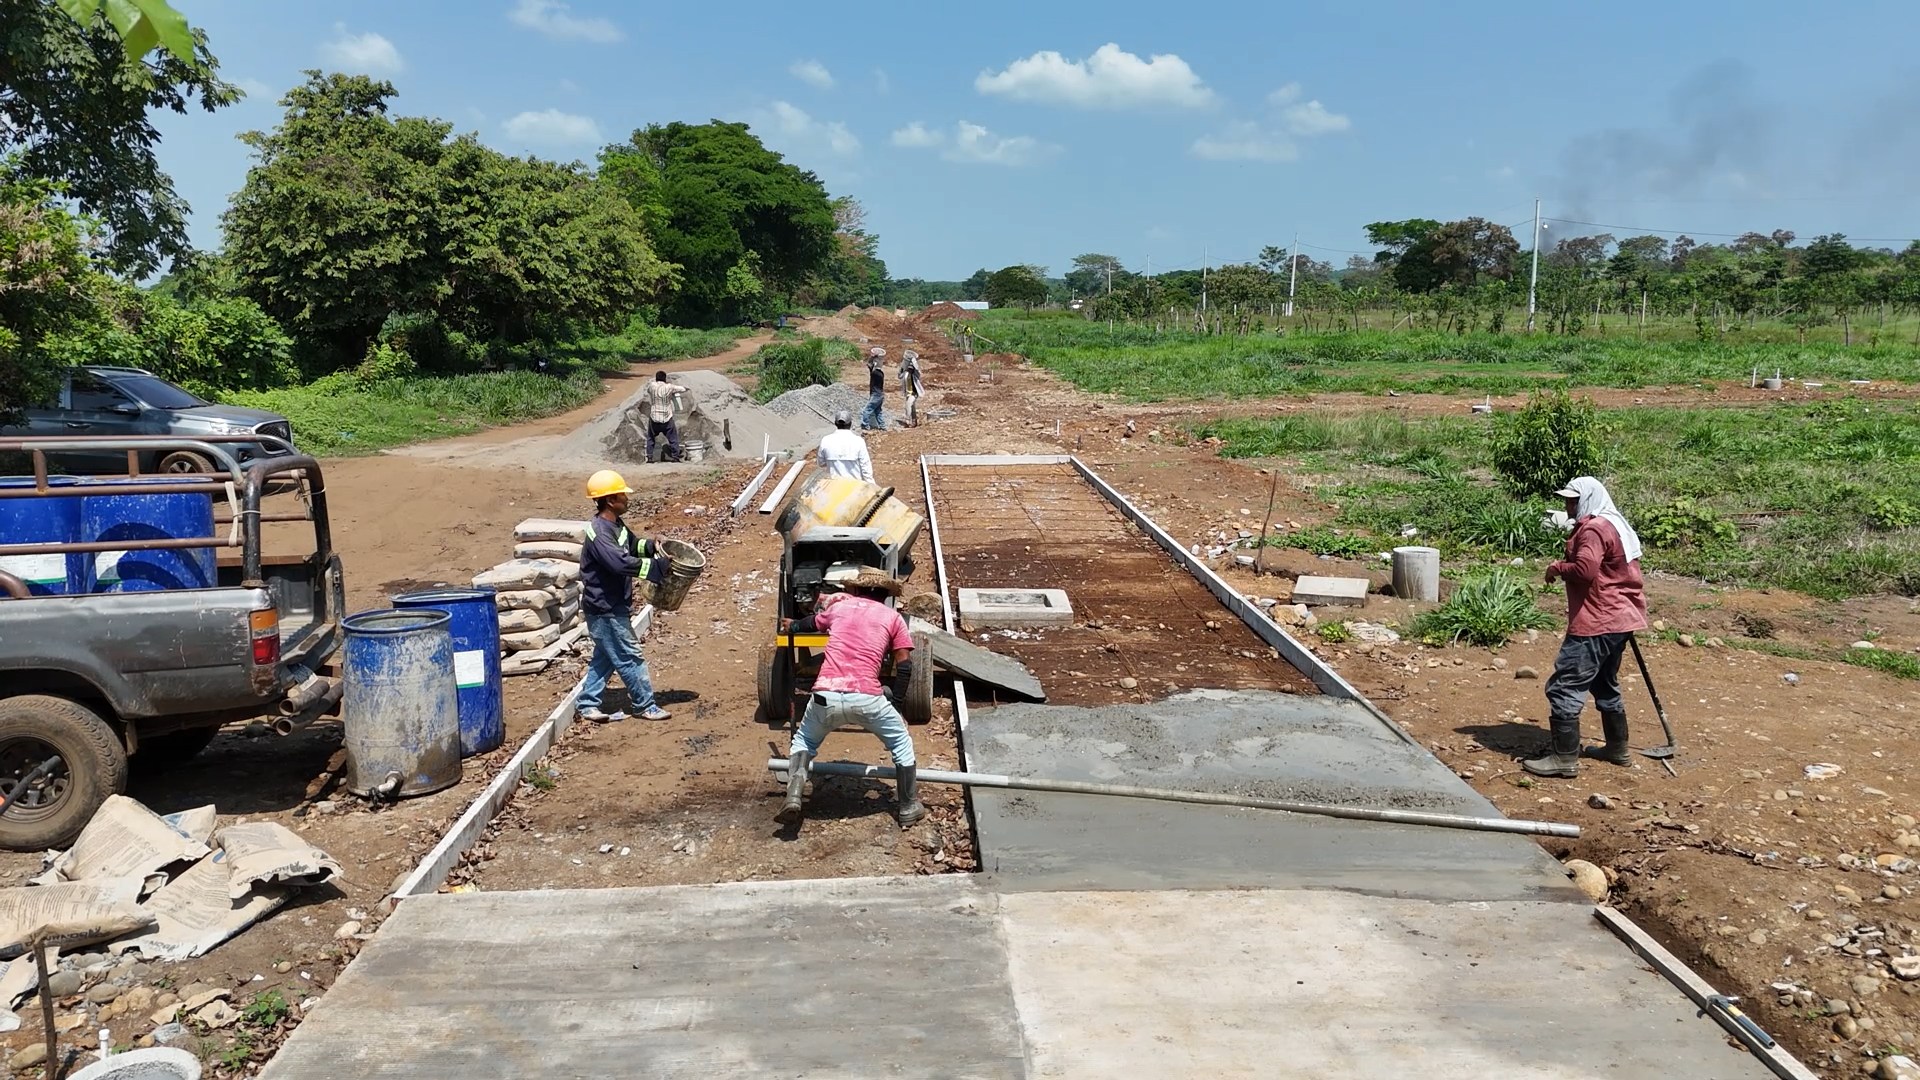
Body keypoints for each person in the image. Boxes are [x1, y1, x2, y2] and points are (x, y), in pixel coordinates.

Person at [1523, 476, 1649, 779]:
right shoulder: (1614, 525)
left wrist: (1557, 568)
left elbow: (1585, 569)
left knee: (1566, 683)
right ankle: (1617, 749)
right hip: (1621, 617)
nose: (1568, 506)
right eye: (1567, 500)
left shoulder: (1593, 529)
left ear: (1588, 499)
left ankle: (1564, 758)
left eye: (1573, 500)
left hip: (1598, 618)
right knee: (1604, 681)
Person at [777, 568, 924, 828]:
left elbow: (810, 624)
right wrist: (896, 705)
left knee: (804, 739)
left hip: (826, 695)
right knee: (901, 743)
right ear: (886, 595)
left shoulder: (841, 608)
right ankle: (908, 806)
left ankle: (795, 795)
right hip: (868, 698)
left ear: (855, 590)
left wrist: (792, 625)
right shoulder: (893, 618)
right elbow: (905, 665)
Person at [576, 469, 673, 723]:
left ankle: (587, 704)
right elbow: (619, 564)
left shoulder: (615, 525)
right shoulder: (599, 532)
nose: (627, 499)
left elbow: (632, 545)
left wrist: (651, 546)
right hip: (604, 607)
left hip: (612, 604)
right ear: (610, 500)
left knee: (607, 656)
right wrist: (655, 569)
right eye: (622, 495)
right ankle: (645, 705)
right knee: (630, 656)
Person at [640, 371, 688, 463]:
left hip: (654, 417)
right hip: (666, 417)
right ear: (664, 378)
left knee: (650, 438)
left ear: (656, 378)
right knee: (673, 438)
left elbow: (647, 388)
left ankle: (649, 457)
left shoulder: (652, 386)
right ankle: (675, 457)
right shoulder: (669, 387)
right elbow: (681, 389)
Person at [816, 409, 874, 482]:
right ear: (850, 424)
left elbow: (821, 463)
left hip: (833, 487)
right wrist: (872, 486)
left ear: (835, 423)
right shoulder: (858, 441)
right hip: (854, 487)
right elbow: (865, 467)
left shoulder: (826, 440)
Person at [861, 347, 886, 431]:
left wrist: (872, 357)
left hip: (876, 395)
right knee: (878, 411)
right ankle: (882, 427)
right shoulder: (879, 372)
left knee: (866, 410)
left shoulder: (876, 373)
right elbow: (869, 365)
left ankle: (865, 426)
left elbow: (869, 364)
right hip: (880, 395)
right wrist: (873, 357)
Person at [898, 349, 925, 427]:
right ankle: (914, 421)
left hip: (914, 392)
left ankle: (908, 420)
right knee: (912, 406)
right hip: (907, 392)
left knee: (908, 404)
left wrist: (913, 361)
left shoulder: (914, 374)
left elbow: (918, 372)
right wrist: (903, 367)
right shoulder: (905, 373)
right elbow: (899, 375)